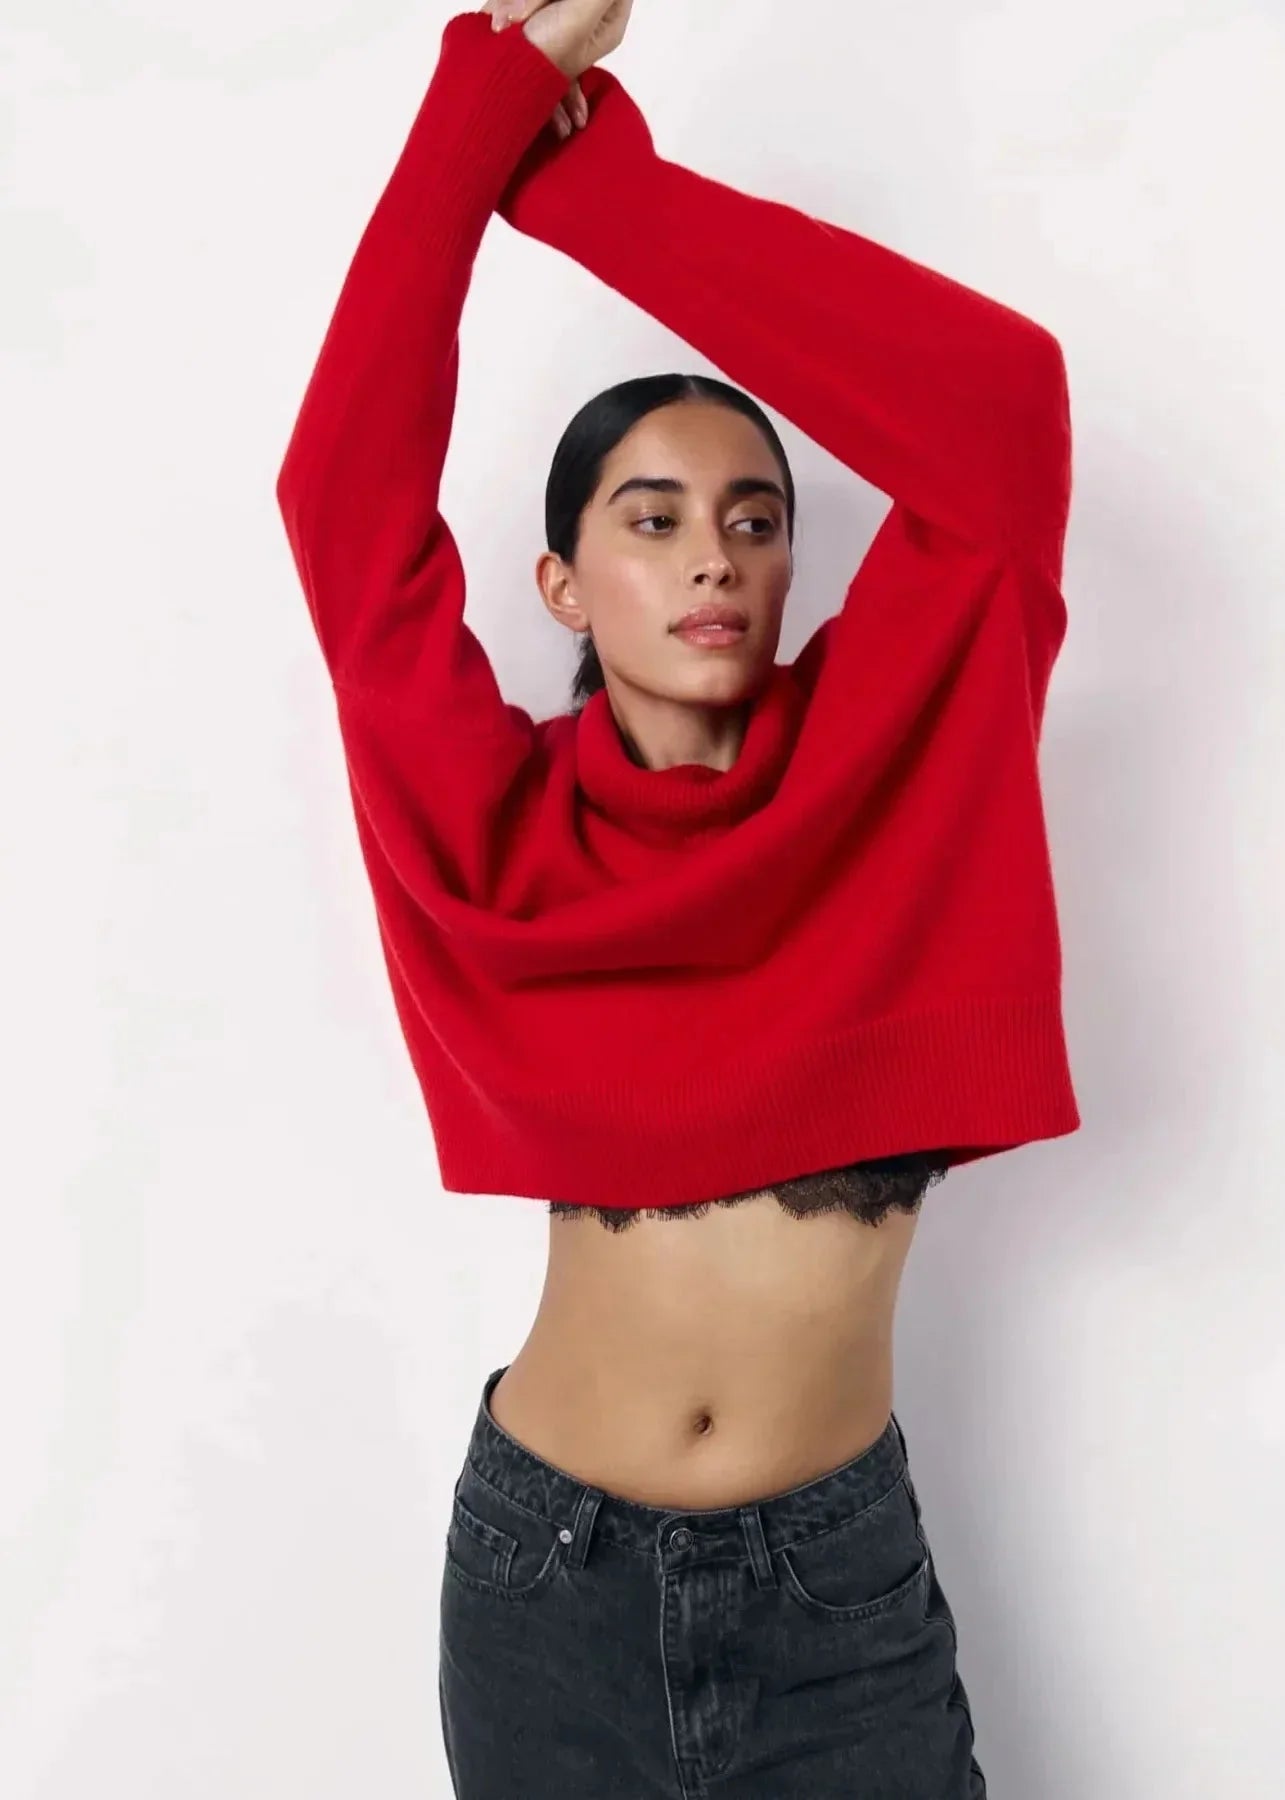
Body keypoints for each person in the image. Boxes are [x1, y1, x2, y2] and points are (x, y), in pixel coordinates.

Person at [274, 3, 1077, 1792]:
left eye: (754, 516)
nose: (712, 553)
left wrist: (592, 195)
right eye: (649, 519)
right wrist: (481, 110)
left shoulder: (905, 762)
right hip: (539, 1579)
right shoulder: (497, 829)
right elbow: (341, 507)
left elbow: (1001, 403)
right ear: (561, 582)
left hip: (833, 1589)